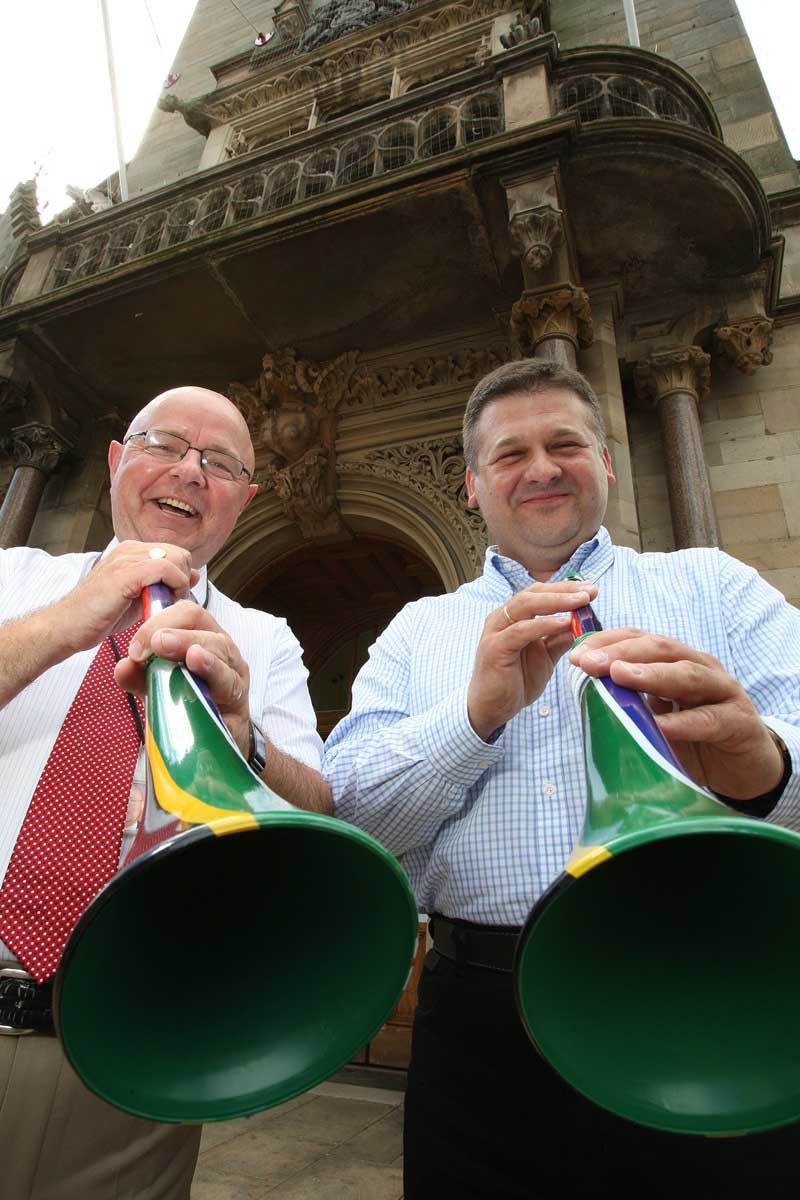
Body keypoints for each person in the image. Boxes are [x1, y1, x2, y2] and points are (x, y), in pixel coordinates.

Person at [323, 358, 800, 1199]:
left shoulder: (715, 585)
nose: (541, 468)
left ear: (607, 463)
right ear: (473, 485)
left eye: (565, 444)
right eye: (511, 454)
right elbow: (354, 816)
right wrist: (471, 716)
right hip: (480, 1022)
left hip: (710, 982)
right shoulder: (416, 629)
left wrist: (759, 761)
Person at [0, 386, 330, 1200]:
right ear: (116, 461)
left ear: (245, 500)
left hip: (131, 1033)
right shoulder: (14, 575)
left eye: (220, 463)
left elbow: (317, 810)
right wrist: (67, 622)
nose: (190, 471)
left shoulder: (264, 640)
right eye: (166, 445)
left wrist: (246, 733)